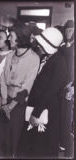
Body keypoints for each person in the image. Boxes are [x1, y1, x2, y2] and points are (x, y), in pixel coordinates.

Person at [0, 23, 40, 158]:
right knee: (0, 136)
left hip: (18, 105)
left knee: (13, 138)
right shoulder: (10, 55)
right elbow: (2, 78)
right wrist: (3, 100)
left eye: (11, 36)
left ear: (20, 38)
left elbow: (27, 87)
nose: (9, 39)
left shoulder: (34, 59)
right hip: (5, 100)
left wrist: (10, 107)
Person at [25, 27, 68, 157]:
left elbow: (50, 92)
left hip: (46, 112)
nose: (38, 45)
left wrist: (36, 113)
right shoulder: (46, 57)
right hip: (39, 108)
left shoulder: (59, 62)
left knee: (44, 149)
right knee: (34, 146)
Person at [59, 20, 74, 157]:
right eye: (66, 30)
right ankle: (61, 142)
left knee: (68, 116)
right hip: (62, 85)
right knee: (62, 114)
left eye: (71, 30)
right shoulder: (63, 46)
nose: (68, 32)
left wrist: (72, 85)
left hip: (71, 86)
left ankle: (67, 146)